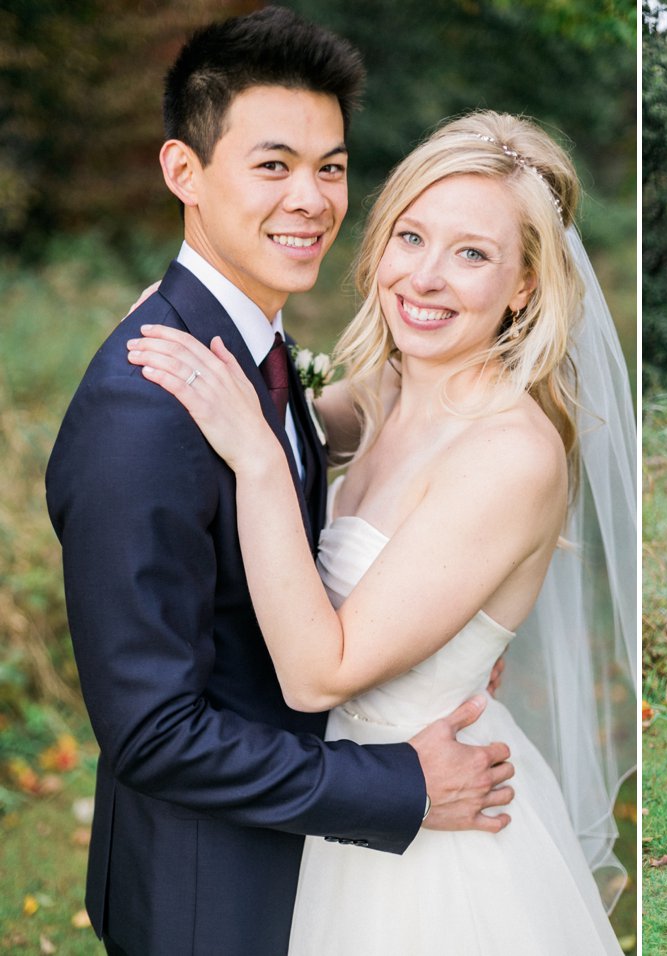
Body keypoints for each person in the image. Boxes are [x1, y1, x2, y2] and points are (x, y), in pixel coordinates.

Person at [46, 10, 514, 954]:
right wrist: (403, 788)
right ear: (185, 173)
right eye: (272, 165)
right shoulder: (147, 411)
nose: (310, 198)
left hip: (303, 867)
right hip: (209, 894)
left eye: (331, 167)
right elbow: (153, 733)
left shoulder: (255, 358)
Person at [126, 110, 634, 953]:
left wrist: (254, 454)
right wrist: (193, 319)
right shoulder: (384, 391)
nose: (425, 278)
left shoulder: (511, 453)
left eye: (472, 254)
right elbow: (281, 419)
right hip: (341, 799)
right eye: (410, 237)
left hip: (432, 827)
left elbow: (318, 673)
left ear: (525, 287)